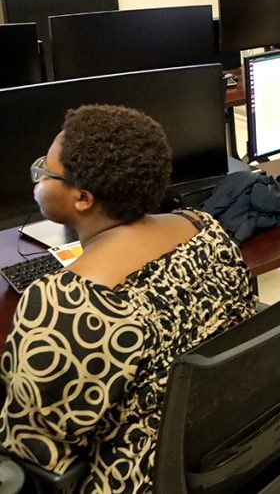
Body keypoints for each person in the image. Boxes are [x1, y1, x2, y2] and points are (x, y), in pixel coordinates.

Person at [0, 105, 257, 492]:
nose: (37, 180)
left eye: (45, 172)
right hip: (221, 439)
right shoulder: (205, 228)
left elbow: (34, 447)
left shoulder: (65, 305)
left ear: (83, 198)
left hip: (136, 477)